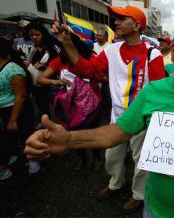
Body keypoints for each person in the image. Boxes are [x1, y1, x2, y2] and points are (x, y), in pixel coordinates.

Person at [24, 18, 174, 218]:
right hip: (155, 210)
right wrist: (68, 140)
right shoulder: (152, 93)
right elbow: (117, 131)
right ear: (173, 51)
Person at [50, 5, 166, 213]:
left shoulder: (153, 54)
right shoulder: (111, 51)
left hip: (142, 120)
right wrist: (67, 42)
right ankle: (116, 183)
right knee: (111, 157)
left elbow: (159, 91)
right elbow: (88, 70)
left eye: (122, 18)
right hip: (117, 118)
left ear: (137, 25)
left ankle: (138, 195)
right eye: (116, 18)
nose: (115, 22)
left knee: (141, 162)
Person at [36, 33, 103, 171]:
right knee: (73, 132)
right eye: (62, 46)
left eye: (66, 45)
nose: (63, 49)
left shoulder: (89, 57)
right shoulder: (59, 60)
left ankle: (97, 157)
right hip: (71, 105)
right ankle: (81, 157)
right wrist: (56, 81)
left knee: (93, 132)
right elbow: (40, 79)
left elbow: (101, 75)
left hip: (92, 102)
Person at [0, 37, 33, 180]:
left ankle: (34, 161)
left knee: (25, 135)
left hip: (16, 109)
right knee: (8, 138)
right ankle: (15, 158)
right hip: (3, 110)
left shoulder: (13, 69)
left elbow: (21, 96)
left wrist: (13, 119)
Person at [25, 22, 59, 126]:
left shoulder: (53, 47)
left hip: (52, 84)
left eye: (37, 34)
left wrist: (45, 66)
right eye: (31, 35)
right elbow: (30, 63)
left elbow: (60, 64)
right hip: (38, 86)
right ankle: (47, 126)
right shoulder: (32, 49)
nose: (34, 37)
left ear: (43, 34)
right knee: (43, 109)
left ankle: (62, 127)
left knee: (58, 108)